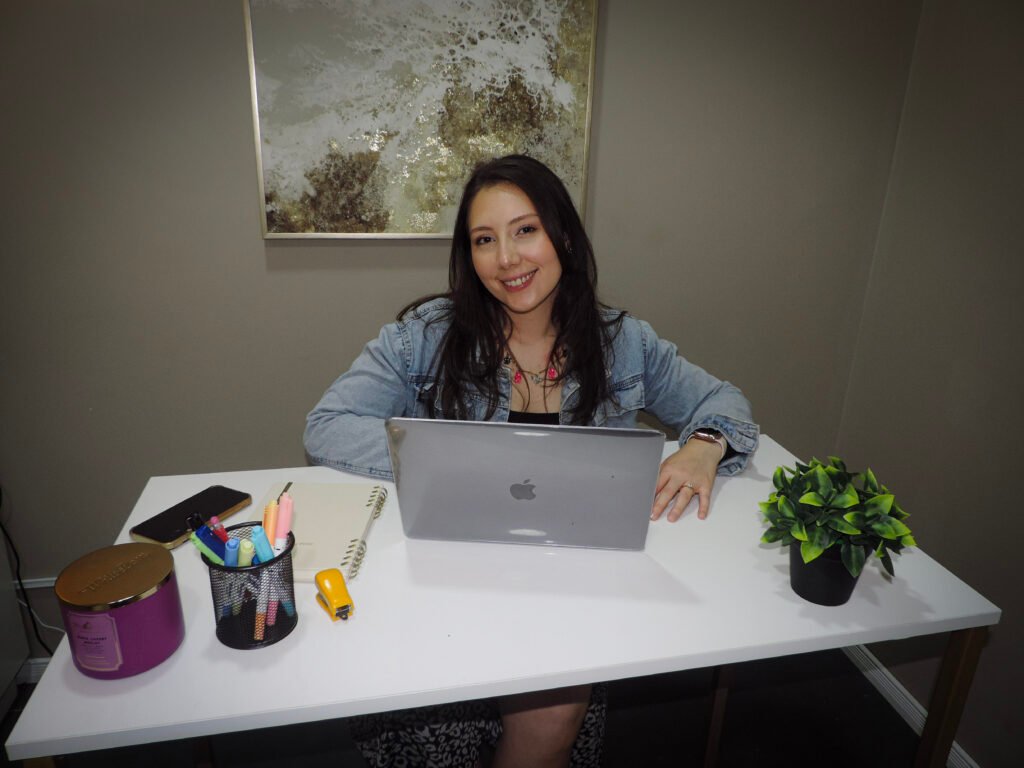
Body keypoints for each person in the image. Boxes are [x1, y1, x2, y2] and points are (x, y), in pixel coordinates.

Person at [304, 155, 759, 768]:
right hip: (454, 568)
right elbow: (328, 425)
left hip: (574, 571)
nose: (507, 258)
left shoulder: (624, 342)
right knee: (443, 714)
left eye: (526, 230)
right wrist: (449, 460)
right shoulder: (424, 336)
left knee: (554, 711)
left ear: (562, 234)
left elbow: (724, 401)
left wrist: (704, 444)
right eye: (484, 240)